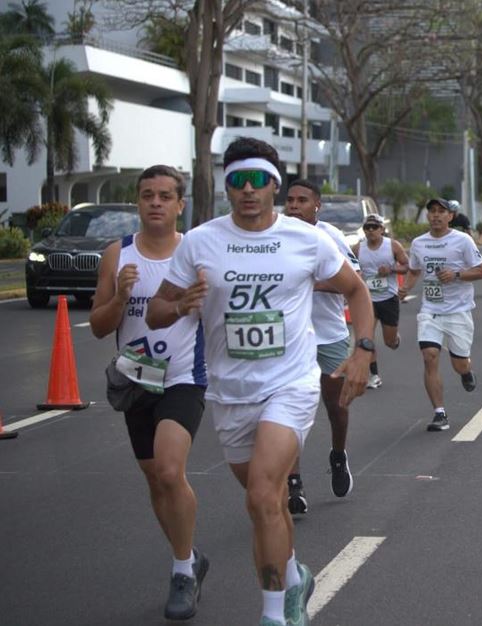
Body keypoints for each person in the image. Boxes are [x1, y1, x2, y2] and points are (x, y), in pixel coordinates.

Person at [146, 137, 375, 626]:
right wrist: (181, 305)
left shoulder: (306, 240)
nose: (248, 190)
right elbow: (157, 310)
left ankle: (274, 615)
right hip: (230, 394)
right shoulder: (200, 241)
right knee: (266, 504)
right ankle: (294, 577)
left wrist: (363, 350)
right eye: (236, 181)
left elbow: (357, 291)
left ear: (274, 184)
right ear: (226, 186)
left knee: (261, 493)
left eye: (257, 181)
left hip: (290, 383)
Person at [89, 165, 209, 621]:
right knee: (155, 480)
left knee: (169, 468)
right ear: (137, 203)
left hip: (183, 377)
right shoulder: (116, 255)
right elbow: (100, 327)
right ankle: (191, 555)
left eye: (165, 195)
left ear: (181, 205)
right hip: (135, 381)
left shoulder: (197, 253)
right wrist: (120, 298)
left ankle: (182, 571)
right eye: (147, 195)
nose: (155, 202)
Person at [283, 179, 364, 513]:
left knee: (336, 407)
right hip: (289, 338)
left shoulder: (328, 236)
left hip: (329, 334)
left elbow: (355, 280)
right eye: (289, 200)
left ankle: (338, 454)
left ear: (317, 205)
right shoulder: (276, 235)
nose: (294, 206)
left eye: (302, 200)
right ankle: (294, 485)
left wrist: (312, 284)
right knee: (289, 414)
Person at [400, 198, 482, 432]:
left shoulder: (463, 241)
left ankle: (466, 372)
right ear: (427, 216)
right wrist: (405, 288)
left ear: (450, 216)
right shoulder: (419, 243)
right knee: (429, 356)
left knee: (459, 364)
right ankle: (440, 413)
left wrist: (456, 274)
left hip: (458, 311)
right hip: (431, 309)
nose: (436, 215)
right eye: (432, 212)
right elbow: (415, 270)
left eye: (441, 212)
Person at [352, 214, 409, 387]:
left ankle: (395, 339)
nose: (370, 231)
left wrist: (391, 269)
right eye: (367, 227)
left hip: (388, 298)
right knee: (366, 338)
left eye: (374, 227)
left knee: (389, 342)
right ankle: (374, 375)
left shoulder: (392, 246)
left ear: (382, 229)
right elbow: (350, 268)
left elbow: (407, 266)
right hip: (367, 300)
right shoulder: (357, 249)